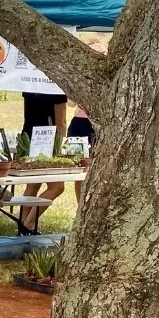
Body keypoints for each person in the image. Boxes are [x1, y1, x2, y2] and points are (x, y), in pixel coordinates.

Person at [19, 90, 68, 232]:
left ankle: (23, 224)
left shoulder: (30, 84)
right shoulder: (56, 90)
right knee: (57, 187)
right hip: (47, 140)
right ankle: (29, 223)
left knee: (33, 185)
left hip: (28, 136)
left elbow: (27, 115)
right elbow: (61, 123)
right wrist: (58, 148)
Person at [67, 42, 107, 202]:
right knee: (80, 169)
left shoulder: (109, 77)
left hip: (97, 124)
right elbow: (70, 102)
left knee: (96, 168)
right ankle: (80, 207)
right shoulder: (80, 75)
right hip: (80, 124)